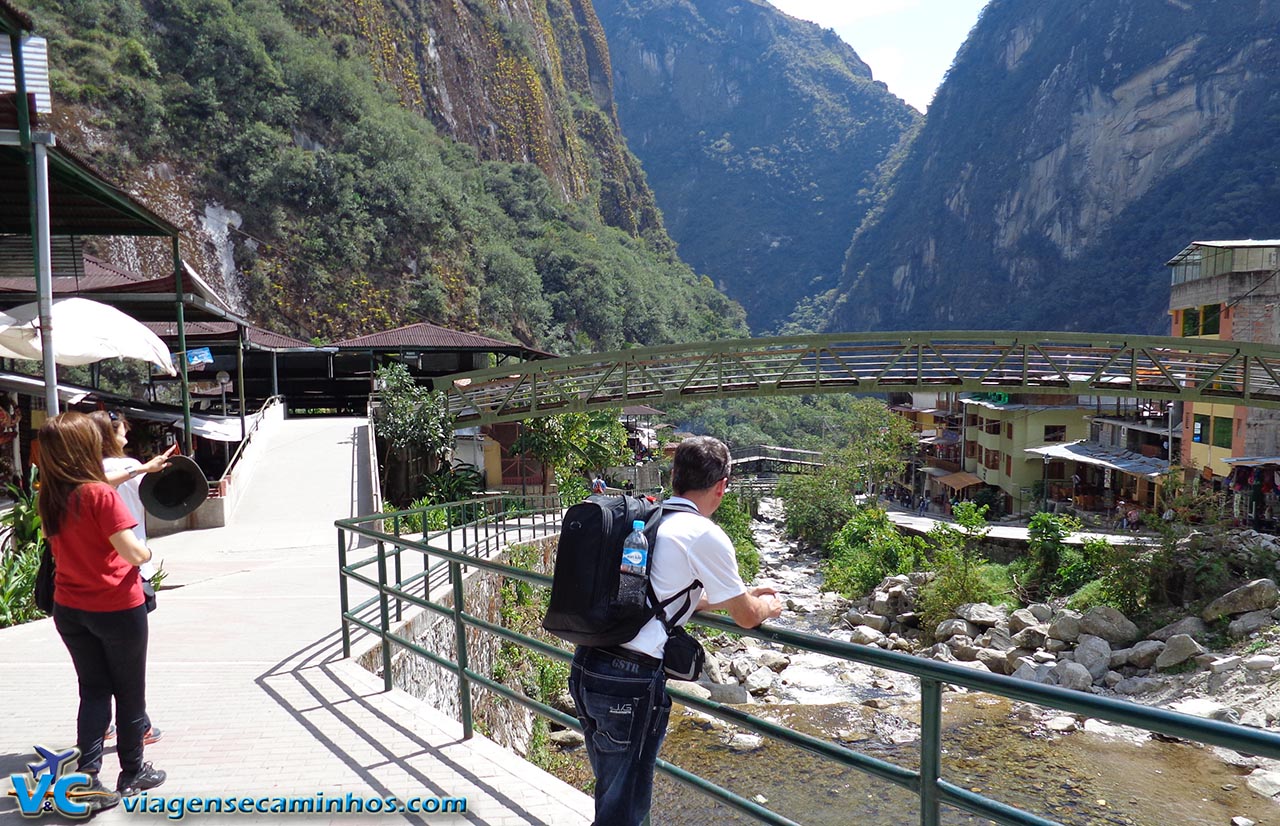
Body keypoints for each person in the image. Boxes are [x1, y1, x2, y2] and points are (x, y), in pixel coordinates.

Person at [568, 436, 782, 826]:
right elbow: (748, 618)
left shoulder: (651, 519)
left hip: (588, 665)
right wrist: (767, 604)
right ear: (722, 486)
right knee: (625, 811)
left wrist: (736, 595)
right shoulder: (703, 534)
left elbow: (667, 596)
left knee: (611, 793)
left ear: (674, 478)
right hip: (629, 684)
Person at [38, 412, 167, 812]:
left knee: (93, 691)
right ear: (84, 447)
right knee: (129, 691)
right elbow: (132, 551)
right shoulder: (98, 493)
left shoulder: (51, 494)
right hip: (114, 604)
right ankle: (133, 772)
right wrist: (146, 553)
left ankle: (85, 780)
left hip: (69, 608)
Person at [89, 411, 174, 746]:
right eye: (123, 431)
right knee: (126, 661)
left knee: (100, 663)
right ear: (111, 434)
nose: (126, 436)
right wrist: (143, 469)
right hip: (130, 571)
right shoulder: (114, 469)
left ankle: (107, 723)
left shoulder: (83, 473)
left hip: (97, 576)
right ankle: (138, 727)